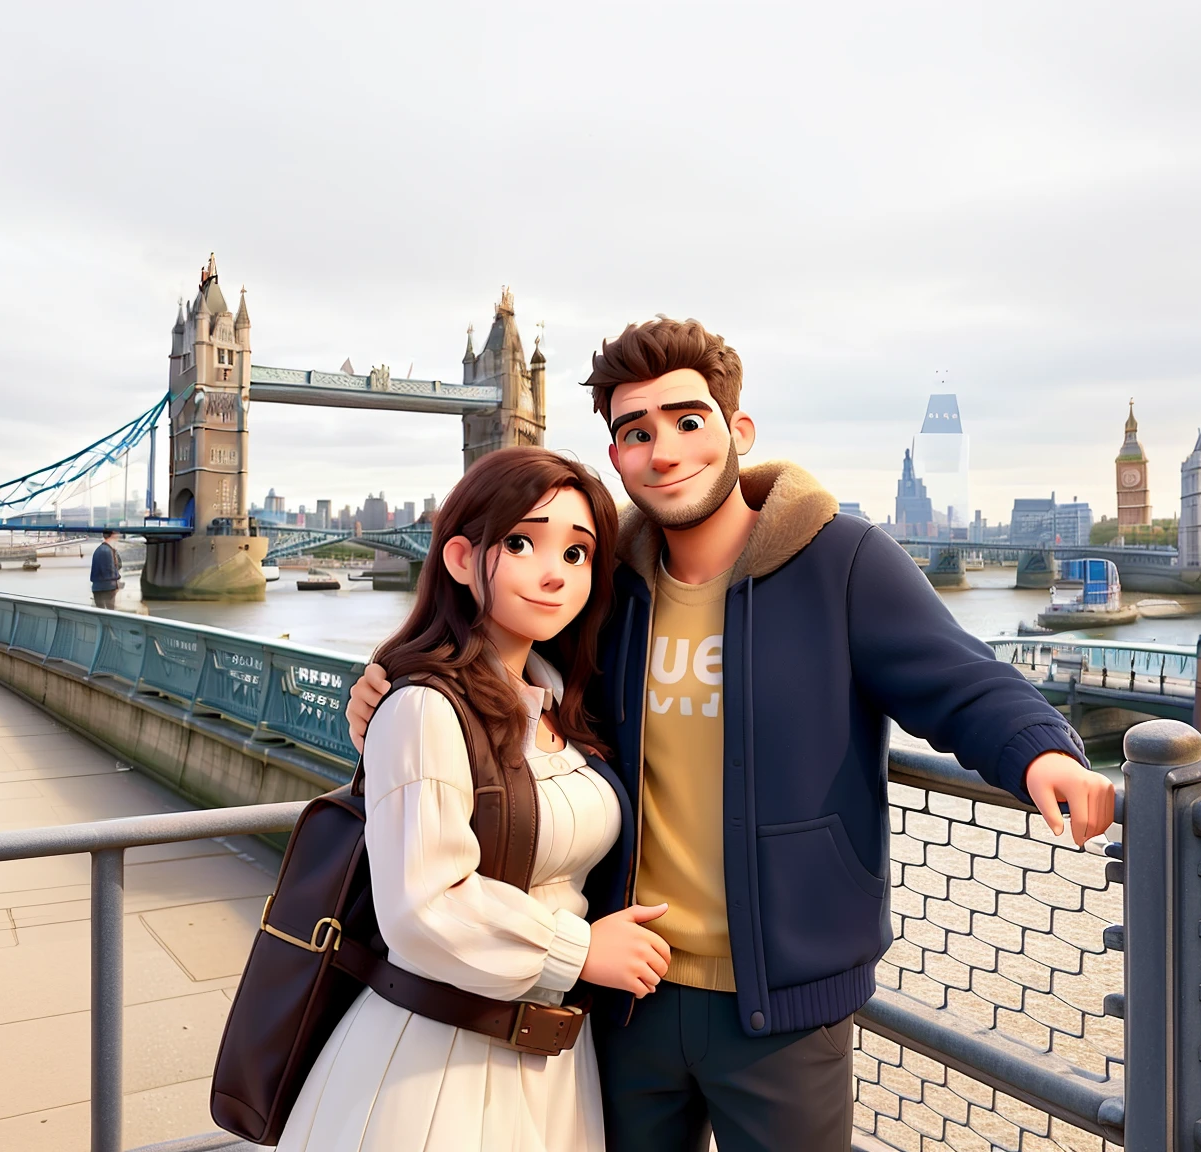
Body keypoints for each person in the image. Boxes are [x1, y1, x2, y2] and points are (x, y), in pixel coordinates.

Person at [347, 318, 1116, 1152]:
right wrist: (390, 689)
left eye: (687, 421)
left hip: (782, 1004)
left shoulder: (840, 560)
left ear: (737, 431)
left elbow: (958, 679)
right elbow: (502, 672)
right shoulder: (609, 589)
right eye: (637, 433)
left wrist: (1040, 748)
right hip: (622, 989)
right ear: (618, 460)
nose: (665, 451)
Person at [279, 447, 670, 1152]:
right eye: (521, 543)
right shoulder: (424, 707)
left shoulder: (564, 704)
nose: (555, 572)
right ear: (461, 558)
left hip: (551, 1064)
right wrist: (583, 949)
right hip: (436, 1069)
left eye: (579, 554)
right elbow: (423, 907)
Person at [91, 529, 122, 609]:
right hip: (107, 588)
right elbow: (109, 571)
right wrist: (117, 579)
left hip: (98, 587)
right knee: (109, 612)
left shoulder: (101, 549)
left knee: (101, 612)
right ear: (113, 535)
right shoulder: (106, 551)